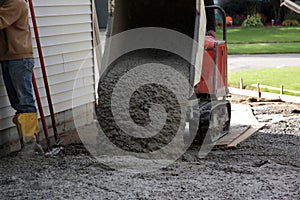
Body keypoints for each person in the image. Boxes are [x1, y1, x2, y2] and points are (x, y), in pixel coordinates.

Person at [0, 0, 42, 154]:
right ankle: (28, 144)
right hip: (9, 58)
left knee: (24, 101)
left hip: (19, 58)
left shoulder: (16, 3)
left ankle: (30, 144)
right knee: (17, 102)